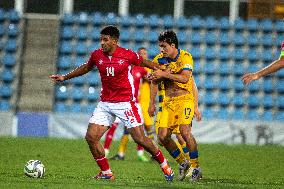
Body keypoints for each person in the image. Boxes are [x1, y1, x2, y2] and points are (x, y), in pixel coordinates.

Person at [49, 25, 174, 181]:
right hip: (105, 104)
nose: (102, 43)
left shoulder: (127, 55)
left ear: (115, 41)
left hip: (126, 103)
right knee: (91, 137)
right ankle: (107, 173)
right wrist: (64, 77)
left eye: (105, 39)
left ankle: (165, 166)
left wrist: (161, 69)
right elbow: (86, 67)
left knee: (140, 139)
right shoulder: (97, 55)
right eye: (101, 39)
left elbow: (146, 63)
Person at [148, 30, 202, 181]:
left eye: (164, 46)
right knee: (162, 137)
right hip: (167, 102)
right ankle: (183, 163)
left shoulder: (186, 57)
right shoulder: (159, 60)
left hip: (185, 99)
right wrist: (151, 103)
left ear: (172, 45)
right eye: (160, 46)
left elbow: (185, 79)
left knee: (184, 132)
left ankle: (196, 166)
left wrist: (164, 74)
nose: (161, 50)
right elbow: (154, 81)